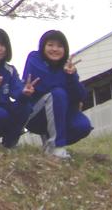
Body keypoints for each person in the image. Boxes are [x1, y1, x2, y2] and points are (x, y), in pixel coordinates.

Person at [24, 30, 92, 159]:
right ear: (43, 46)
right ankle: (57, 147)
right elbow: (46, 83)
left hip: (61, 113)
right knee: (58, 93)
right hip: (35, 113)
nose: (55, 49)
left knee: (83, 126)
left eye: (60, 46)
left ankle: (49, 144)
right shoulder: (34, 58)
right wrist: (65, 78)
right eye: (50, 45)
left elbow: (81, 95)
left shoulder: (67, 67)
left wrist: (71, 76)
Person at [0, 28, 35, 148]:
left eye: (2, 45)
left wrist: (25, 92)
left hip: (5, 108)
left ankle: (10, 143)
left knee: (26, 107)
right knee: (0, 113)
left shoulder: (10, 70)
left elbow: (17, 91)